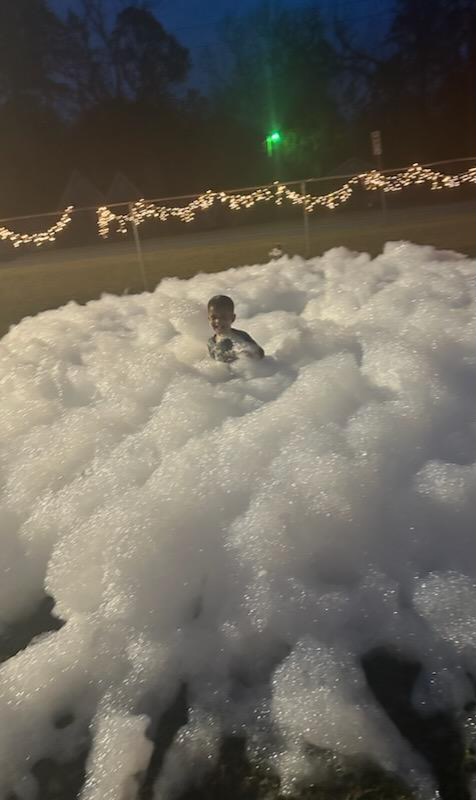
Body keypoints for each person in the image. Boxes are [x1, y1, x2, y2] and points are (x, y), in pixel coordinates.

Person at [207, 295, 264, 363]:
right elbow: (214, 363)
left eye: (223, 317)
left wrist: (249, 355)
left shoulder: (241, 336)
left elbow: (260, 353)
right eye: (214, 317)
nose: (218, 321)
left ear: (232, 318)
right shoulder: (211, 342)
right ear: (209, 319)